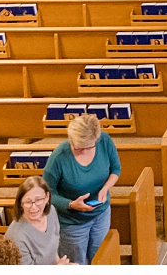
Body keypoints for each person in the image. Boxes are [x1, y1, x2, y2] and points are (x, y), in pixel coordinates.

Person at [45, 113, 120, 265]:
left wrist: (105, 188)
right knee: (76, 264)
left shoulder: (104, 141)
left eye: (85, 148)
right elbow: (48, 194)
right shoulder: (59, 157)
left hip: (101, 214)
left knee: (101, 259)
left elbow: (116, 169)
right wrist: (71, 204)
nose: (80, 150)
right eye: (76, 147)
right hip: (72, 222)